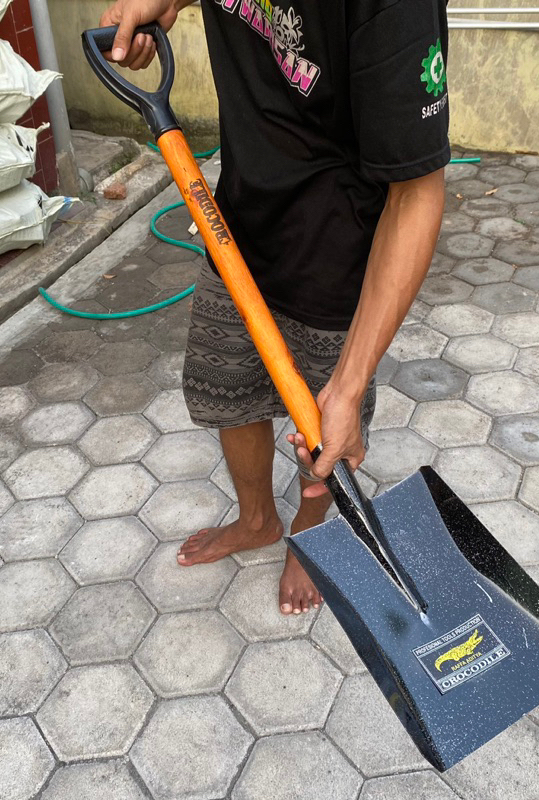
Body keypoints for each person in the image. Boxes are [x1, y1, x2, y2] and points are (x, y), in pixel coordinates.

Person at [100, 0, 450, 614]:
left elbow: (417, 193)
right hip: (238, 220)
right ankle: (257, 518)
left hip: (340, 245)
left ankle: (308, 534)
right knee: (226, 386)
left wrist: (349, 386)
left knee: (324, 427)